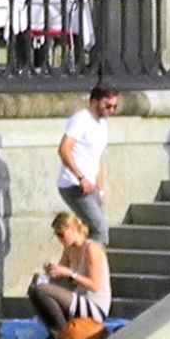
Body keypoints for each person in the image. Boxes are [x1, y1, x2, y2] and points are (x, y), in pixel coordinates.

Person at [26, 208, 112, 339]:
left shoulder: (91, 249)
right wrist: (52, 272)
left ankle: (61, 335)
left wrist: (70, 274)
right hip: (78, 300)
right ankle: (58, 334)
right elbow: (59, 280)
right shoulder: (69, 250)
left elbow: (94, 285)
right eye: (56, 235)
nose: (59, 239)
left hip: (95, 307)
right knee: (35, 289)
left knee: (41, 290)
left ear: (73, 229)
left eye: (61, 234)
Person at [54, 81, 119, 243]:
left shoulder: (103, 124)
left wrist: (101, 189)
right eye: (108, 106)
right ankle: (95, 266)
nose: (111, 111)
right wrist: (80, 177)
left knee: (88, 230)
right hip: (74, 185)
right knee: (100, 229)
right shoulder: (81, 119)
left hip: (91, 187)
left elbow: (97, 158)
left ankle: (79, 265)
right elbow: (64, 149)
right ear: (95, 102)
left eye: (114, 107)